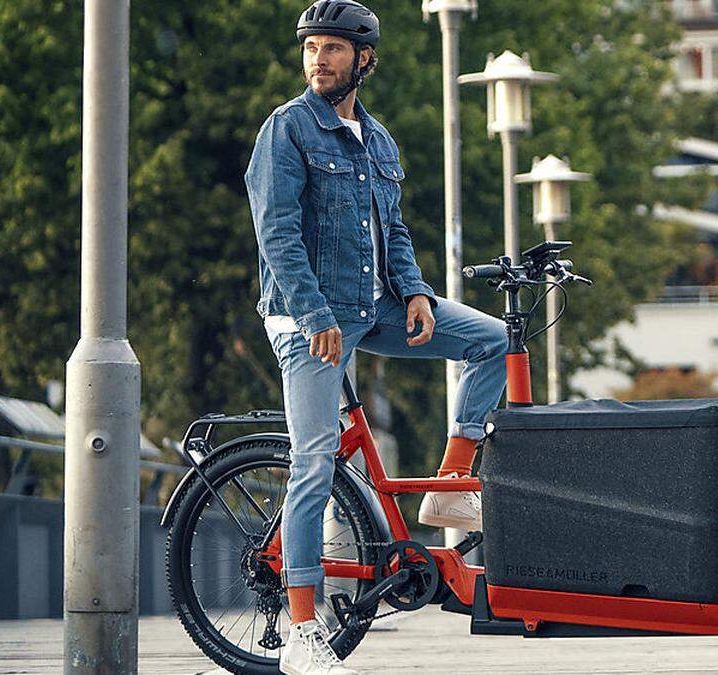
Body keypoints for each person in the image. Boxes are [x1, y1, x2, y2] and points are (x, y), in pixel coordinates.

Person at [245, 1, 508, 672]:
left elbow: (393, 232)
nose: (318, 59)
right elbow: (276, 236)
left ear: (365, 59)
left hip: (372, 305)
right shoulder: (287, 130)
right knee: (315, 459)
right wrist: (314, 317)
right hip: (307, 318)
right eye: (311, 48)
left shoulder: (380, 140)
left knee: (492, 340)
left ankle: (449, 484)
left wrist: (416, 290)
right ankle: (303, 630)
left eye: (333, 48)